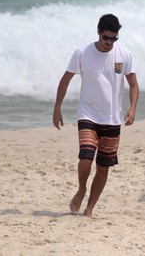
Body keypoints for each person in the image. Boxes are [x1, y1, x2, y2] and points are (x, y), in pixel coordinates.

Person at [52, 14, 139, 218]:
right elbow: (65, 81)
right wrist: (57, 108)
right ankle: (81, 189)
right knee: (86, 157)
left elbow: (134, 84)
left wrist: (133, 107)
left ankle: (90, 209)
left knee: (103, 166)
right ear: (98, 33)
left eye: (113, 38)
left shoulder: (124, 55)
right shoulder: (82, 53)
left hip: (112, 118)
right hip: (88, 114)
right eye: (105, 38)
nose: (109, 42)